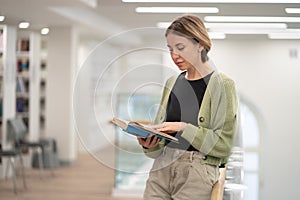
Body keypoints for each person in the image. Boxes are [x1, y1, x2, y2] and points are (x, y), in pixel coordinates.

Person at [137, 14, 238, 200]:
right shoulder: (171, 82)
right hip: (162, 166)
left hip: (197, 172)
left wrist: (183, 127)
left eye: (180, 48)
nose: (174, 56)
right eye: (170, 49)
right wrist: (150, 144)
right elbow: (161, 139)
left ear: (200, 44)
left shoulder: (223, 85)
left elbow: (223, 146)